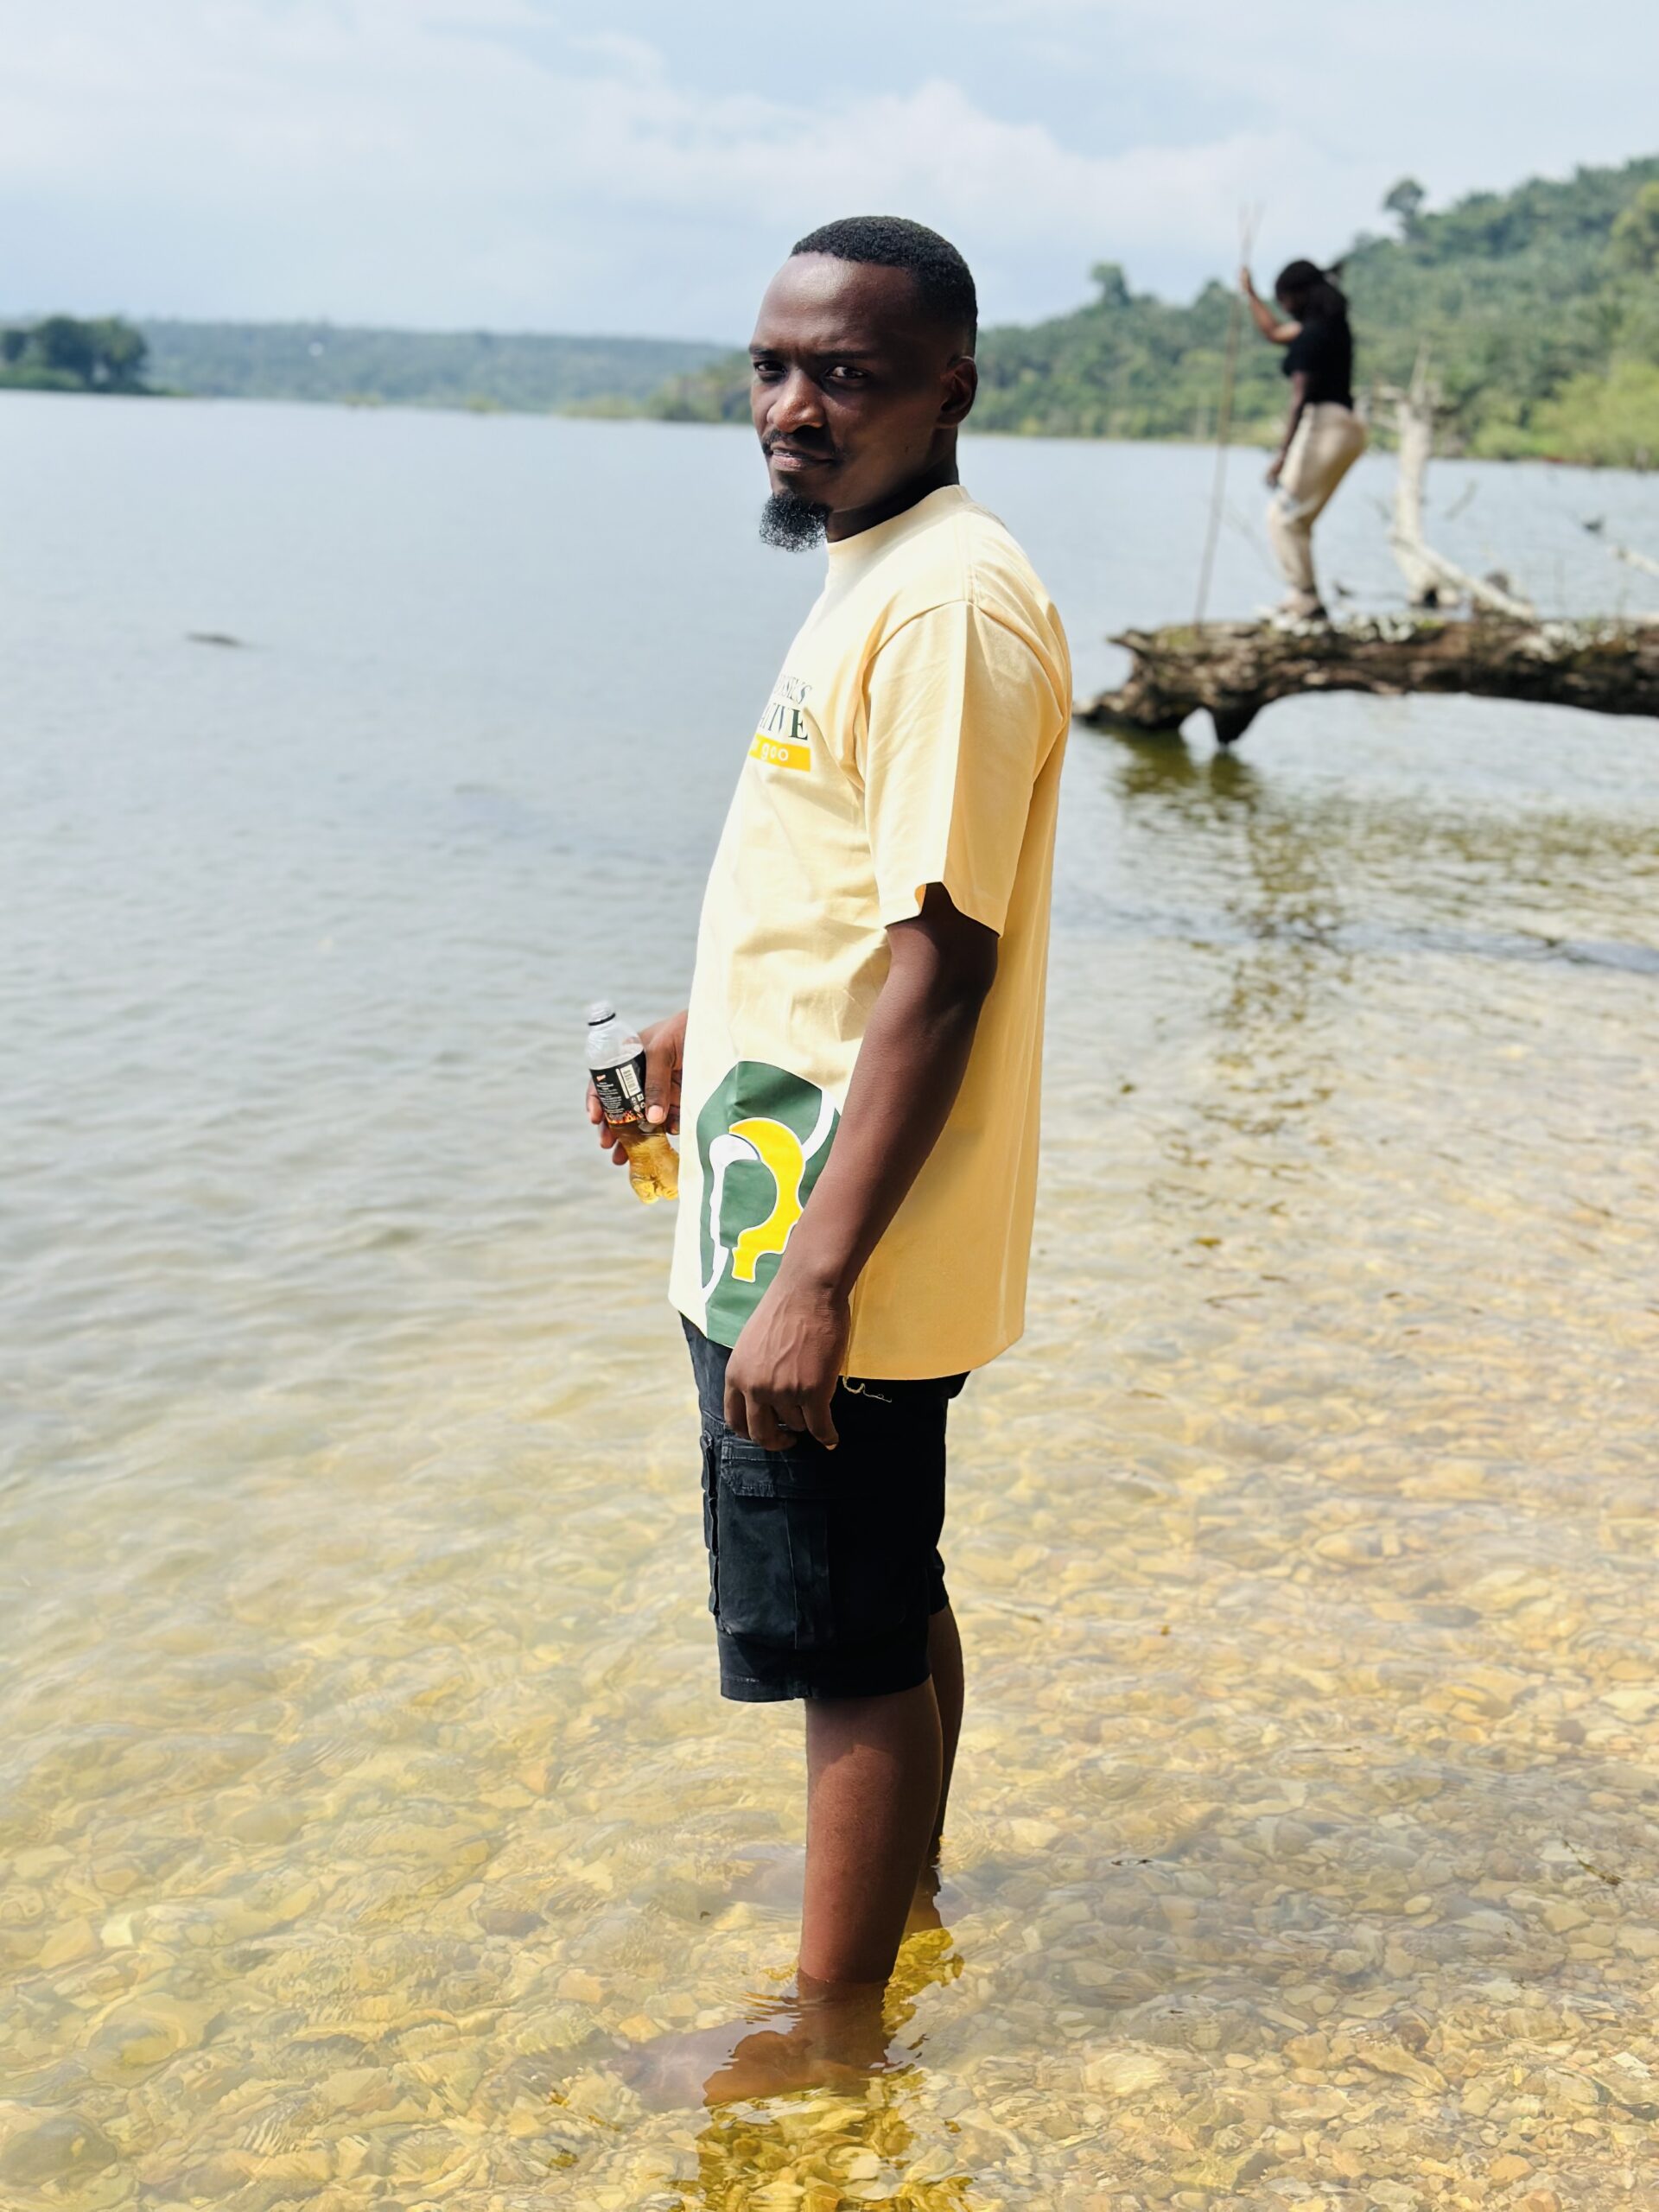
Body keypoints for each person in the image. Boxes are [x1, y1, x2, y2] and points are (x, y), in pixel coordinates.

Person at [588, 214, 1071, 2095]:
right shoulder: (884, 567)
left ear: (954, 379)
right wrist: (697, 1033)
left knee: (843, 1632)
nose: (796, 408)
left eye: (847, 375)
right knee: (888, 1570)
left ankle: (829, 2023)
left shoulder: (946, 605)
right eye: (775, 370)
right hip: (789, 1189)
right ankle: (906, 1897)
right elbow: (856, 915)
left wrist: (814, 1278)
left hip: (829, 1232)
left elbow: (946, 963)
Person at [1241, 257, 1366, 624]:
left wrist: (1282, 457)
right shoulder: (1328, 327)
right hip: (1349, 428)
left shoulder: (1313, 336)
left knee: (1282, 517)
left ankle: (1306, 601)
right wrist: (1251, 294)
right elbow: (1274, 333)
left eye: (1284, 299)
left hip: (1327, 426)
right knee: (1298, 520)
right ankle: (1305, 598)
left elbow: (1299, 400)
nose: (1282, 306)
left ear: (1299, 296)